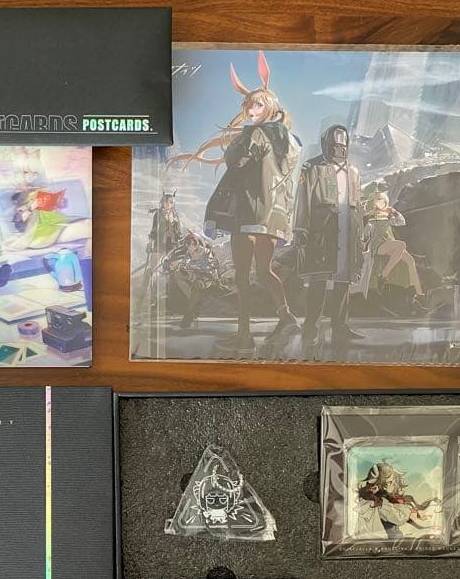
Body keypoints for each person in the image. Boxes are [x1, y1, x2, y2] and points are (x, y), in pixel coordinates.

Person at [169, 51, 302, 354]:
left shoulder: (255, 134)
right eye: (248, 106)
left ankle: (244, 337)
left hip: (248, 213)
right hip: (272, 216)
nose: (251, 110)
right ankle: (286, 316)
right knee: (265, 271)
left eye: (257, 104)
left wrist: (238, 142)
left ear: (269, 106)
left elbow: (236, 161)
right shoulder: (288, 140)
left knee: (242, 276)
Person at [295, 124, 365, 354]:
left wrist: (360, 232)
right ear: (327, 144)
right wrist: (300, 228)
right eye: (335, 145)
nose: (339, 149)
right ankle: (311, 328)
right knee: (318, 280)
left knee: (343, 281)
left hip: (347, 230)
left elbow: (358, 204)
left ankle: (340, 326)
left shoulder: (353, 171)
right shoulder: (311, 167)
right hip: (322, 231)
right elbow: (303, 199)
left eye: (343, 145)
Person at [353, 462, 441, 540]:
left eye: (392, 481)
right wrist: (408, 508)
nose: (393, 484)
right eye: (389, 482)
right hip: (389, 543)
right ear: (379, 485)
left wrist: (421, 527)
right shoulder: (380, 503)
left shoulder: (380, 501)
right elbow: (399, 518)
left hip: (390, 541)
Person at [134, 191, 183, 315]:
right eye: (166, 201)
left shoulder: (175, 215)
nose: (168, 204)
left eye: (170, 202)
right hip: (159, 245)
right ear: (162, 202)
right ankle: (146, 302)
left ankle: (171, 303)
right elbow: (153, 230)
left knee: (173, 273)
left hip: (172, 246)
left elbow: (179, 231)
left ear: (173, 203)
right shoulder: (158, 214)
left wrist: (180, 242)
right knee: (151, 272)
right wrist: (150, 243)